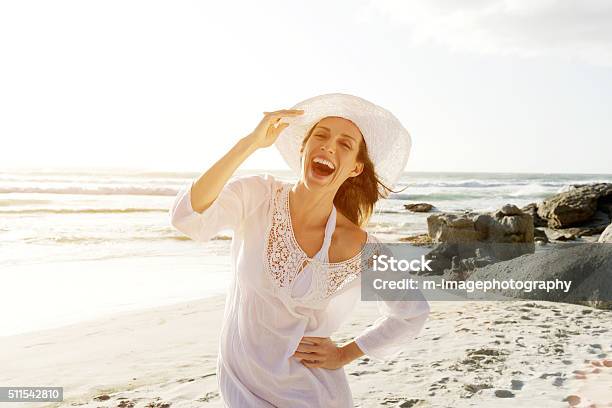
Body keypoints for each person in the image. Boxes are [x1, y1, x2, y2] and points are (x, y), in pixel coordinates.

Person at [169, 93, 430, 407]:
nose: (329, 146)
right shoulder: (258, 197)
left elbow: (411, 312)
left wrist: (346, 352)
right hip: (243, 387)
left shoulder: (358, 244)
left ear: (355, 169)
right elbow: (188, 216)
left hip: (314, 394)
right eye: (320, 135)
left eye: (345, 144)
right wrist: (250, 142)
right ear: (303, 149)